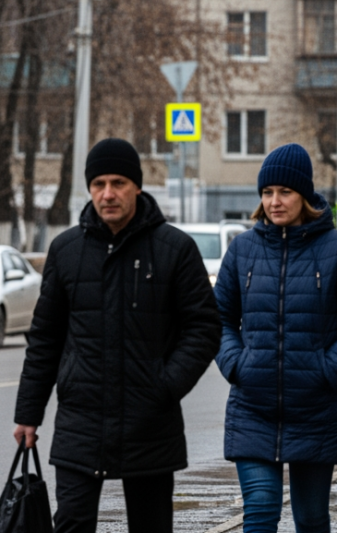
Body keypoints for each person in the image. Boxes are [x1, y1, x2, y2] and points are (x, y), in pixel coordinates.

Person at [13, 138, 221, 533]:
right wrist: (28, 413)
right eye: (99, 184)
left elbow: (204, 327)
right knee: (71, 523)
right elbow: (45, 337)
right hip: (80, 423)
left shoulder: (174, 249)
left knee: (151, 526)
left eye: (119, 183)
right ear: (90, 188)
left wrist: (165, 384)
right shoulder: (66, 250)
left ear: (138, 186)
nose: (108, 194)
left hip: (149, 425)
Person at [214, 143, 337, 532]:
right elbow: (218, 318)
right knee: (259, 513)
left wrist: (327, 368)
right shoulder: (242, 250)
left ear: (304, 195)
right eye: (267, 192)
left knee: (311, 520)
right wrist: (236, 364)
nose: (274, 201)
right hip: (252, 407)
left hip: (316, 409)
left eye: (285, 192)